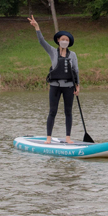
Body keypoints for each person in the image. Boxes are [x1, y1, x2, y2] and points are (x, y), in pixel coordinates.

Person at [27, 15, 80, 144]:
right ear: (58, 40)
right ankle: (48, 138)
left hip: (69, 86)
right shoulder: (52, 51)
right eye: (63, 39)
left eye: (67, 40)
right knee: (52, 111)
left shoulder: (72, 55)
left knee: (68, 111)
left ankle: (68, 138)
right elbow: (41, 42)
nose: (65, 41)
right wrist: (37, 28)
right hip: (55, 86)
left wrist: (77, 86)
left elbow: (76, 70)